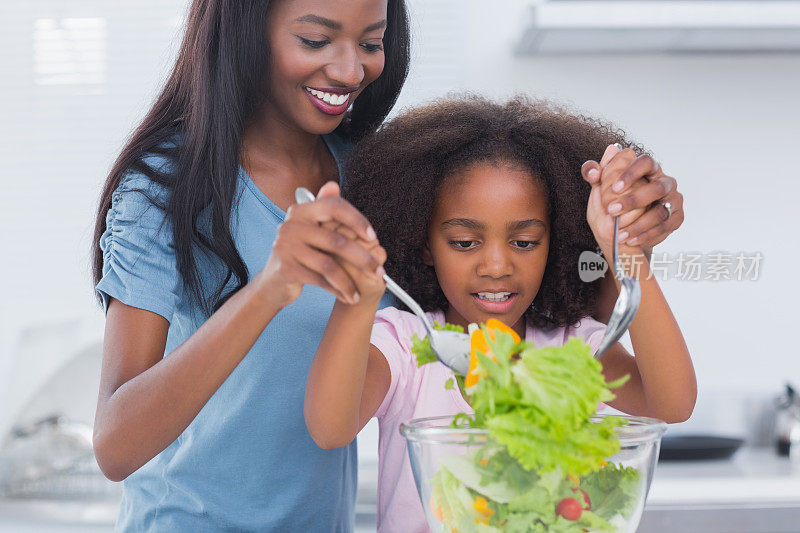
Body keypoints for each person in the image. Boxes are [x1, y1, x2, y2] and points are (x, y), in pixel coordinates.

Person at [90, 0, 683, 530]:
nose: (351, 71)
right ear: (247, 32)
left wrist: (625, 242)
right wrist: (272, 286)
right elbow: (116, 447)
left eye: (371, 43)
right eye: (317, 41)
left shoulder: (374, 177)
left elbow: (557, 288)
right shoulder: (165, 188)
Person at [303, 96, 696, 532]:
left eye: (524, 242)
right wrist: (355, 295)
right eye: (465, 243)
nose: (496, 266)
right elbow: (329, 429)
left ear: (557, 243)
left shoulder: (568, 348)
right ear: (424, 244)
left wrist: (625, 251)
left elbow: (671, 404)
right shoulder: (407, 345)